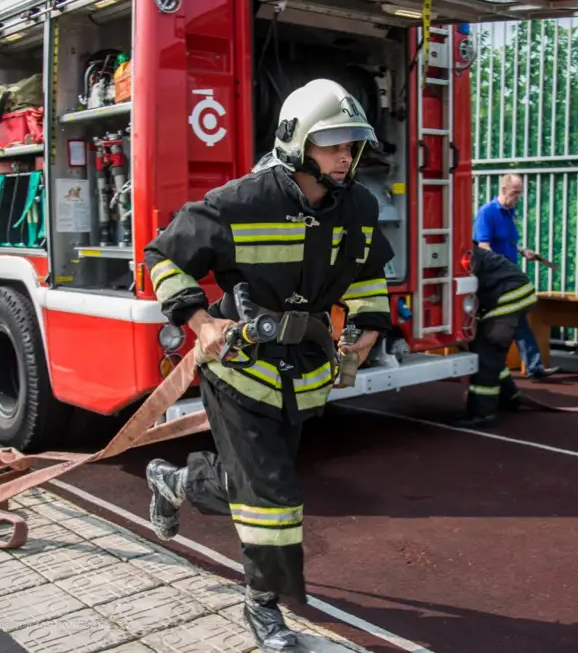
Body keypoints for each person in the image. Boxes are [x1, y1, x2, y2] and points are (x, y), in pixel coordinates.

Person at [140, 78, 394, 650]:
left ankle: (173, 482)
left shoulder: (359, 205)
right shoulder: (240, 202)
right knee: (273, 494)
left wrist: (369, 331)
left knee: (244, 482)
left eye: (352, 145)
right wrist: (202, 324)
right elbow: (162, 256)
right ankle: (263, 607)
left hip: (304, 373)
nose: (345, 156)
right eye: (333, 144)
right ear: (297, 141)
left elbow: (368, 273)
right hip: (238, 370)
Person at [473, 174, 559, 380]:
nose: (518, 198)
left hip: (507, 277)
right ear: (503, 190)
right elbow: (484, 247)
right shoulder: (487, 213)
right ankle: (524, 367)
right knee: (512, 322)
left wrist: (523, 251)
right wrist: (502, 271)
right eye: (515, 193)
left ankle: (532, 367)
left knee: (518, 321)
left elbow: (508, 242)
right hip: (497, 280)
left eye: (520, 193)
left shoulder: (510, 212)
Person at [459, 246, 537, 428]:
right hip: (512, 292)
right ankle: (509, 396)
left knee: (486, 352)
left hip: (510, 295)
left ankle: (482, 414)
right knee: (487, 350)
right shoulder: (466, 249)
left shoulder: (464, 253)